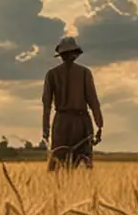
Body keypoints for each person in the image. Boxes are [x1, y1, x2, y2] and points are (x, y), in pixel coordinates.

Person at [42, 36, 104, 168]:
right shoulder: (84, 73)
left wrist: (46, 129)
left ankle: (59, 186)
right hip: (80, 121)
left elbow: (46, 104)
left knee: (59, 160)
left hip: (62, 122)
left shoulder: (52, 74)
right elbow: (93, 101)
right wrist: (99, 125)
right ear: (75, 54)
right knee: (83, 159)